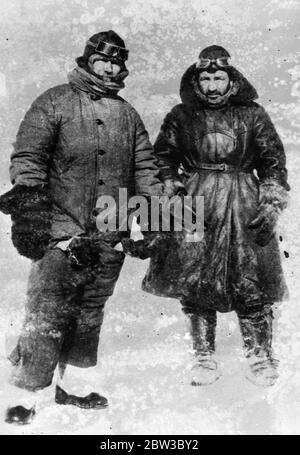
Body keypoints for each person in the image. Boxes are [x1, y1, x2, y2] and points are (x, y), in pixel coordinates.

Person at [0, 30, 162, 424]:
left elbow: (145, 169)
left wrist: (156, 218)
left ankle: (71, 385)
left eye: (116, 62)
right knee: (47, 311)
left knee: (90, 312)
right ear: (88, 61)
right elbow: (28, 158)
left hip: (110, 231)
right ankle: (26, 394)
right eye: (102, 60)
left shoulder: (128, 114)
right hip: (62, 232)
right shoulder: (54, 101)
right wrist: (32, 214)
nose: (109, 68)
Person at [142, 45, 289, 388]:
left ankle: (260, 355)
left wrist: (270, 202)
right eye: (205, 78)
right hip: (195, 202)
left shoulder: (253, 115)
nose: (211, 86)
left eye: (218, 77)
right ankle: (204, 355)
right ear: (196, 81)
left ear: (231, 80)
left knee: (250, 279)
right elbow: (162, 156)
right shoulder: (181, 115)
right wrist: (170, 187)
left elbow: (273, 163)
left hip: (242, 202)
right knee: (194, 277)